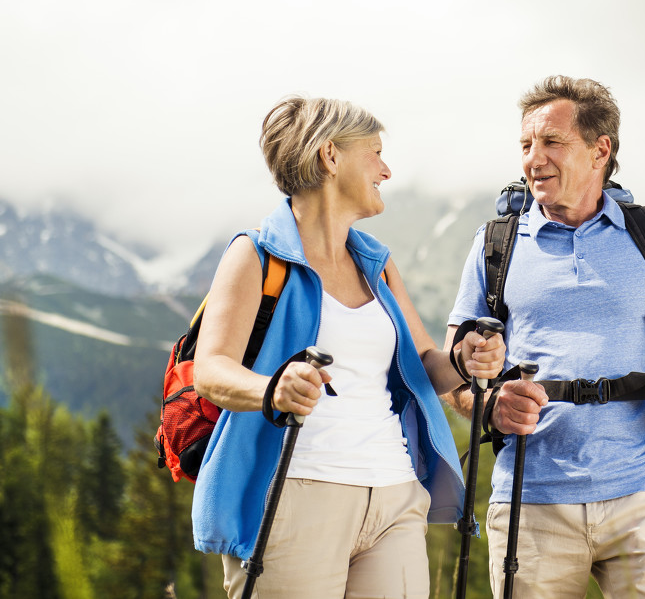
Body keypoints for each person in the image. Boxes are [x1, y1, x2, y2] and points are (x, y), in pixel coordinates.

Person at [444, 76, 645, 599]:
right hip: (529, 499)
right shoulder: (495, 244)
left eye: (551, 143)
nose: (533, 159)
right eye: (525, 145)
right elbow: (452, 369)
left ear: (599, 150)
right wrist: (489, 408)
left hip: (643, 495)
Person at [192, 95, 505, 599]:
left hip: (394, 496)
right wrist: (274, 388)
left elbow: (426, 365)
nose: (386, 169)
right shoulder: (255, 255)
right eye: (375, 152)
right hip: (295, 492)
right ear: (330, 156)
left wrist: (464, 359)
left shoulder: (376, 265)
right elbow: (209, 370)